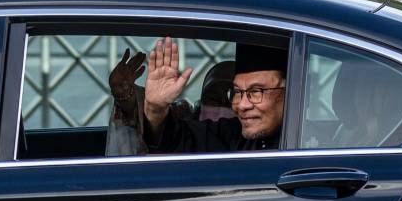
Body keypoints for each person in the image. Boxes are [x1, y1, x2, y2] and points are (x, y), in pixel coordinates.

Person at [105, 37, 287, 155]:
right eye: (237, 92)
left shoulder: (311, 143)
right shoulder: (231, 134)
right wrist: (156, 108)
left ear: (288, 91)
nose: (241, 105)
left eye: (255, 92)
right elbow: (178, 142)